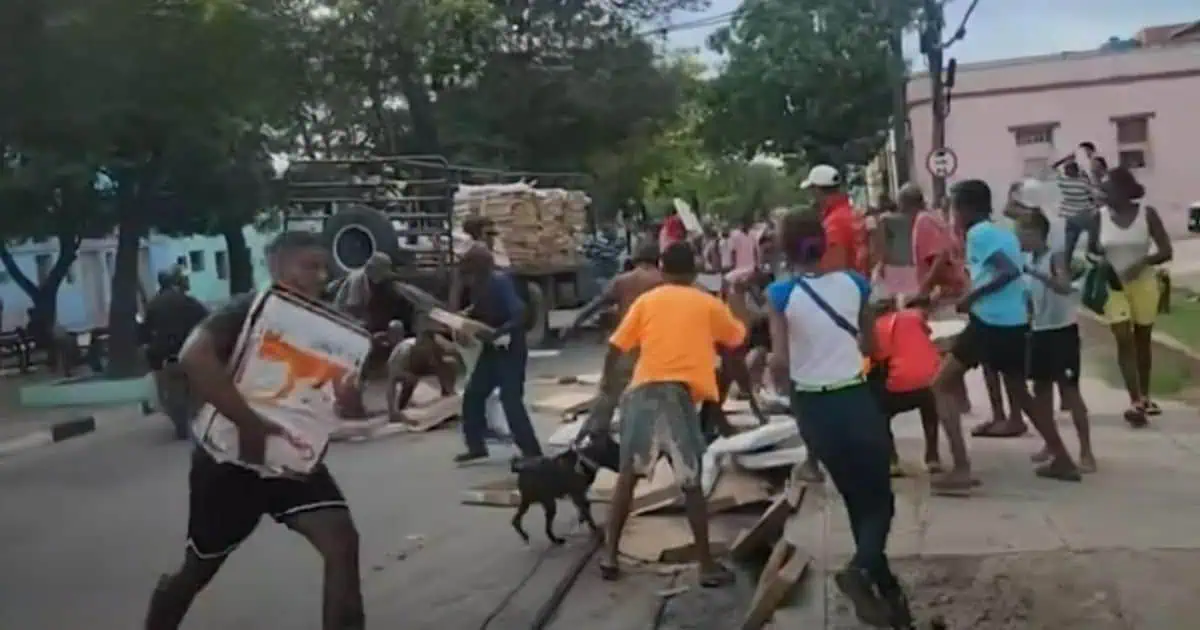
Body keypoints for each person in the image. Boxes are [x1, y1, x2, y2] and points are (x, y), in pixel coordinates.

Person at [144, 231, 365, 630]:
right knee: (199, 568)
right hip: (230, 462)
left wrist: (348, 397)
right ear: (276, 266)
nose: (318, 277)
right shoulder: (246, 310)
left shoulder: (324, 325)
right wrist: (250, 424)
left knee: (342, 543)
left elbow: (336, 402)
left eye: (322, 269)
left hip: (292, 461)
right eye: (308, 266)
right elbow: (194, 358)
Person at [765, 211, 915, 629]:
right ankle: (859, 570)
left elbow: (779, 362)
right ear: (825, 243)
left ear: (785, 251)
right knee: (880, 500)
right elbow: (871, 343)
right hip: (854, 399)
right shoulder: (855, 284)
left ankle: (882, 586)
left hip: (813, 411)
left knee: (854, 497)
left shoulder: (780, 295)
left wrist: (781, 379)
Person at [593, 242, 744, 588]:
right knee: (690, 482)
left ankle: (610, 556)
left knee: (627, 478)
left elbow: (615, 347)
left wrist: (606, 385)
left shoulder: (647, 301)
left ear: (662, 270)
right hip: (677, 396)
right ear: (693, 271)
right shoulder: (707, 303)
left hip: (640, 392)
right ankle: (706, 566)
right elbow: (736, 340)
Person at [931, 180, 1080, 495]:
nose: (952, 215)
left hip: (990, 322)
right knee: (1021, 394)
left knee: (942, 384)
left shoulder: (978, 234)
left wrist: (973, 298)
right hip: (1010, 322)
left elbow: (1008, 271)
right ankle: (1062, 457)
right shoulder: (1001, 232)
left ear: (968, 209)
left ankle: (960, 468)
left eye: (954, 208)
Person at [1087, 166, 1173, 426]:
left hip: (1144, 283)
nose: (1103, 193)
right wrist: (1099, 261)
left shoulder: (1147, 214)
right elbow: (1091, 250)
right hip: (1114, 285)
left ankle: (1145, 395)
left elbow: (1166, 250)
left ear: (1125, 190)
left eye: (1108, 188)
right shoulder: (1098, 217)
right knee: (1123, 338)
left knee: (1142, 340)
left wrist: (1142, 262)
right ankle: (1135, 401)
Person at [1017, 209, 1096, 473]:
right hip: (1039, 331)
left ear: (1038, 233)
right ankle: (1052, 444)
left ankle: (1086, 450)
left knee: (1070, 392)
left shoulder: (1055, 257)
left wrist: (1036, 273)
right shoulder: (1027, 258)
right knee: (1041, 392)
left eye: (1024, 234)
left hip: (1062, 330)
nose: (1020, 239)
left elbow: (1064, 286)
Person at [565, 243, 664, 436]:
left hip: (626, 346)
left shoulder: (623, 281)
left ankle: (592, 436)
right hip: (656, 346)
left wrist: (575, 323)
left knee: (608, 394)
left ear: (635, 259)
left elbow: (597, 303)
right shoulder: (664, 281)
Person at [455, 245, 543, 462]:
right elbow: (480, 309)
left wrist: (499, 332)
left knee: (510, 398)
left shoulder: (500, 282)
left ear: (480, 269)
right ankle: (476, 446)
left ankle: (531, 451)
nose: (469, 279)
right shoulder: (479, 286)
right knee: (473, 394)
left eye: (470, 273)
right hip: (492, 348)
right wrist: (465, 319)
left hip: (510, 346)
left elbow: (520, 312)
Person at [869, 298, 943, 478]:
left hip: (899, 388)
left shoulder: (877, 327)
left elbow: (878, 357)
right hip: (931, 383)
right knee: (930, 405)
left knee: (876, 410)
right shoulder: (914, 317)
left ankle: (891, 460)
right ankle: (932, 456)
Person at [143, 268, 210, 439]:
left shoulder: (153, 304)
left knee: (162, 386)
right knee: (202, 384)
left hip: (162, 357)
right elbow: (208, 321)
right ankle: (196, 415)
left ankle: (175, 415)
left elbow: (144, 331)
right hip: (188, 351)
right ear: (176, 282)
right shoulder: (188, 301)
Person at [383, 319, 459, 424]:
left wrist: (449, 393)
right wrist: (392, 411)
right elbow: (391, 382)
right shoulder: (402, 352)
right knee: (409, 382)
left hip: (420, 363)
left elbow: (446, 361)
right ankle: (399, 409)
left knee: (450, 364)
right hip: (407, 367)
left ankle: (446, 395)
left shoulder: (431, 347)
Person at [801, 164, 868, 274]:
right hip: (860, 282)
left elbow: (833, 268)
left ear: (817, 190)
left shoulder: (833, 223)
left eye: (810, 190)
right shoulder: (853, 213)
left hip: (846, 286)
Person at [727, 213, 760, 278]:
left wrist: (757, 264)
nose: (746, 225)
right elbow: (732, 252)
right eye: (743, 223)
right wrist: (733, 266)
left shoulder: (753, 234)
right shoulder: (734, 235)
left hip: (752, 268)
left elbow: (755, 250)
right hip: (739, 269)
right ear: (740, 224)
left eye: (747, 223)